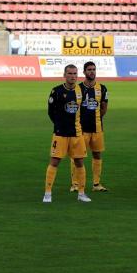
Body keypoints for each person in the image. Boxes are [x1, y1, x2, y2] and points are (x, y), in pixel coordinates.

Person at [43, 64, 91, 203]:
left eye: (75, 73)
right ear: (64, 75)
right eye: (70, 73)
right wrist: (59, 125)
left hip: (76, 134)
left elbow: (84, 111)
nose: (73, 76)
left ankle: (81, 193)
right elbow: (51, 112)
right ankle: (47, 193)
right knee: (54, 162)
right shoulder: (56, 91)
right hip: (60, 134)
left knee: (80, 162)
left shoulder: (82, 91)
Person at [69, 62, 109, 192]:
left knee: (97, 155)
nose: (92, 72)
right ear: (84, 72)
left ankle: (96, 184)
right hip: (81, 130)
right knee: (77, 156)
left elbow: (104, 108)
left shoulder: (102, 88)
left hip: (97, 129)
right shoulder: (77, 88)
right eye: (89, 70)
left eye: (94, 69)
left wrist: (96, 118)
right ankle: (75, 184)